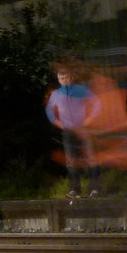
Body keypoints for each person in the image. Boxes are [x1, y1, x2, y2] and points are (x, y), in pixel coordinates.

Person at [45, 63, 102, 198]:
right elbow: (49, 110)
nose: (63, 79)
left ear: (71, 77)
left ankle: (94, 189)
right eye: (60, 77)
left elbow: (97, 104)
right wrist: (57, 123)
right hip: (68, 131)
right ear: (58, 79)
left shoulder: (81, 90)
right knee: (71, 161)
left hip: (84, 129)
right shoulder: (56, 94)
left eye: (65, 76)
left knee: (91, 159)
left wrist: (90, 120)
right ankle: (74, 190)